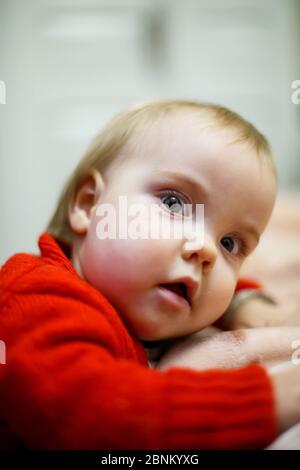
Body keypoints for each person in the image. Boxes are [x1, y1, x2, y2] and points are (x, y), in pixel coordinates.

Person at [1, 99, 298, 450]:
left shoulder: (140, 288)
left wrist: (245, 304)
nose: (205, 251)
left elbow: (219, 290)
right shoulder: (34, 298)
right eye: (174, 204)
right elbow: (105, 418)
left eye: (230, 244)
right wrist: (282, 395)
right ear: (89, 204)